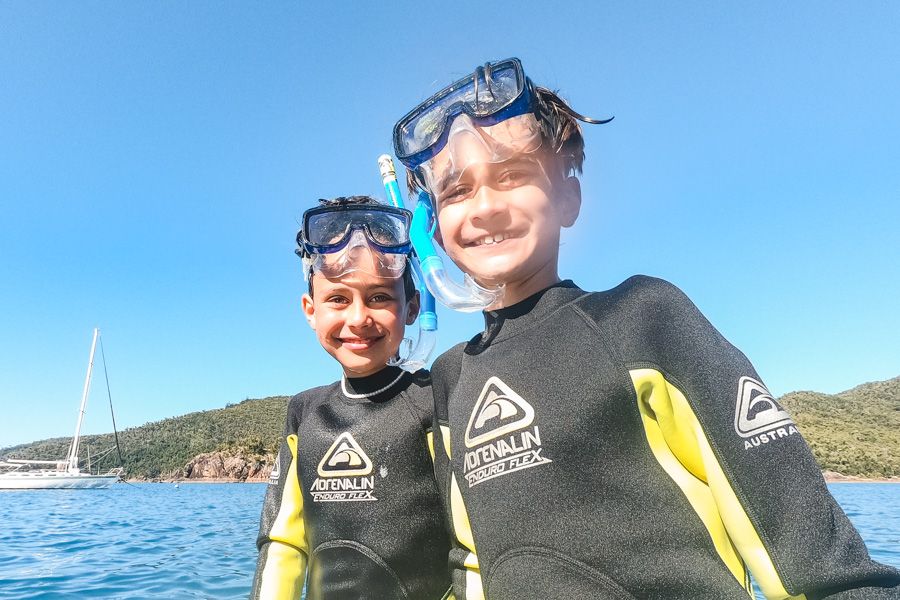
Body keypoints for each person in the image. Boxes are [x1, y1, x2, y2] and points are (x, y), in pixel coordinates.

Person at [392, 57, 900, 599]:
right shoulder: (451, 379)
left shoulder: (644, 318)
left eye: (513, 174)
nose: (486, 206)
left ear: (568, 197)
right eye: (458, 191)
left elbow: (814, 558)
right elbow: (469, 565)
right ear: (435, 229)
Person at [251, 196, 452, 600]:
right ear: (311, 310)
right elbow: (283, 545)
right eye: (338, 299)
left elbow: (471, 547)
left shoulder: (433, 399)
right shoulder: (305, 413)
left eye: (380, 297)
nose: (358, 318)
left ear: (412, 307)